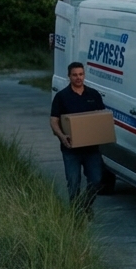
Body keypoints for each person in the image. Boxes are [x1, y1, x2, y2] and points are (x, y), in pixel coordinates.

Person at [49, 61, 106, 215]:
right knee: (73, 184)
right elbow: (54, 121)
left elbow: (102, 118)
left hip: (92, 149)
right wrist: (62, 136)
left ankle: (85, 205)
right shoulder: (62, 97)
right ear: (69, 76)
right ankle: (76, 215)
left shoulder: (93, 95)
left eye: (81, 74)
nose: (78, 78)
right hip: (71, 149)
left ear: (84, 75)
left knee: (96, 181)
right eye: (75, 75)